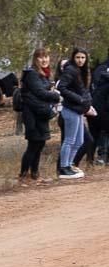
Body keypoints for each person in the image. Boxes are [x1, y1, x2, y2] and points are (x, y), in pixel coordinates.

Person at [18, 47, 61, 185]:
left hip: (41, 113)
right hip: (33, 115)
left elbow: (44, 90)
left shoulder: (43, 74)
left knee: (40, 143)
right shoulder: (32, 74)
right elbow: (40, 92)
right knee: (33, 144)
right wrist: (56, 96)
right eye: (41, 57)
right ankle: (23, 175)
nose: (44, 60)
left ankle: (35, 174)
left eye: (46, 57)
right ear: (35, 59)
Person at [55, 47, 96, 179]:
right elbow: (61, 87)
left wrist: (87, 104)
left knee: (79, 141)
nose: (80, 60)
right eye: (78, 57)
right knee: (69, 140)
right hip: (70, 110)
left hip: (78, 110)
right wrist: (79, 99)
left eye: (83, 57)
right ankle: (63, 167)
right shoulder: (70, 70)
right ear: (73, 57)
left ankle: (70, 165)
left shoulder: (81, 71)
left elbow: (83, 90)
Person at [91, 54, 109, 165]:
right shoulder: (102, 68)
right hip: (102, 107)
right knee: (104, 131)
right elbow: (97, 85)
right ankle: (102, 155)